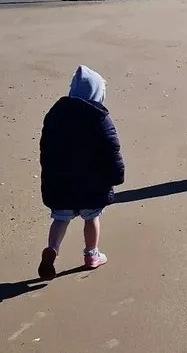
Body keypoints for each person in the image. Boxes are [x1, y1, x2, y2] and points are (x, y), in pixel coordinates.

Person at [38, 65, 124, 278]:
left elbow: (46, 148)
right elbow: (112, 149)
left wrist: (48, 174)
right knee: (92, 218)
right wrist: (117, 175)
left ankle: (52, 250)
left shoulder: (55, 115)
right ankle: (91, 254)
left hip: (61, 183)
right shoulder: (100, 119)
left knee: (60, 219)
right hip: (91, 184)